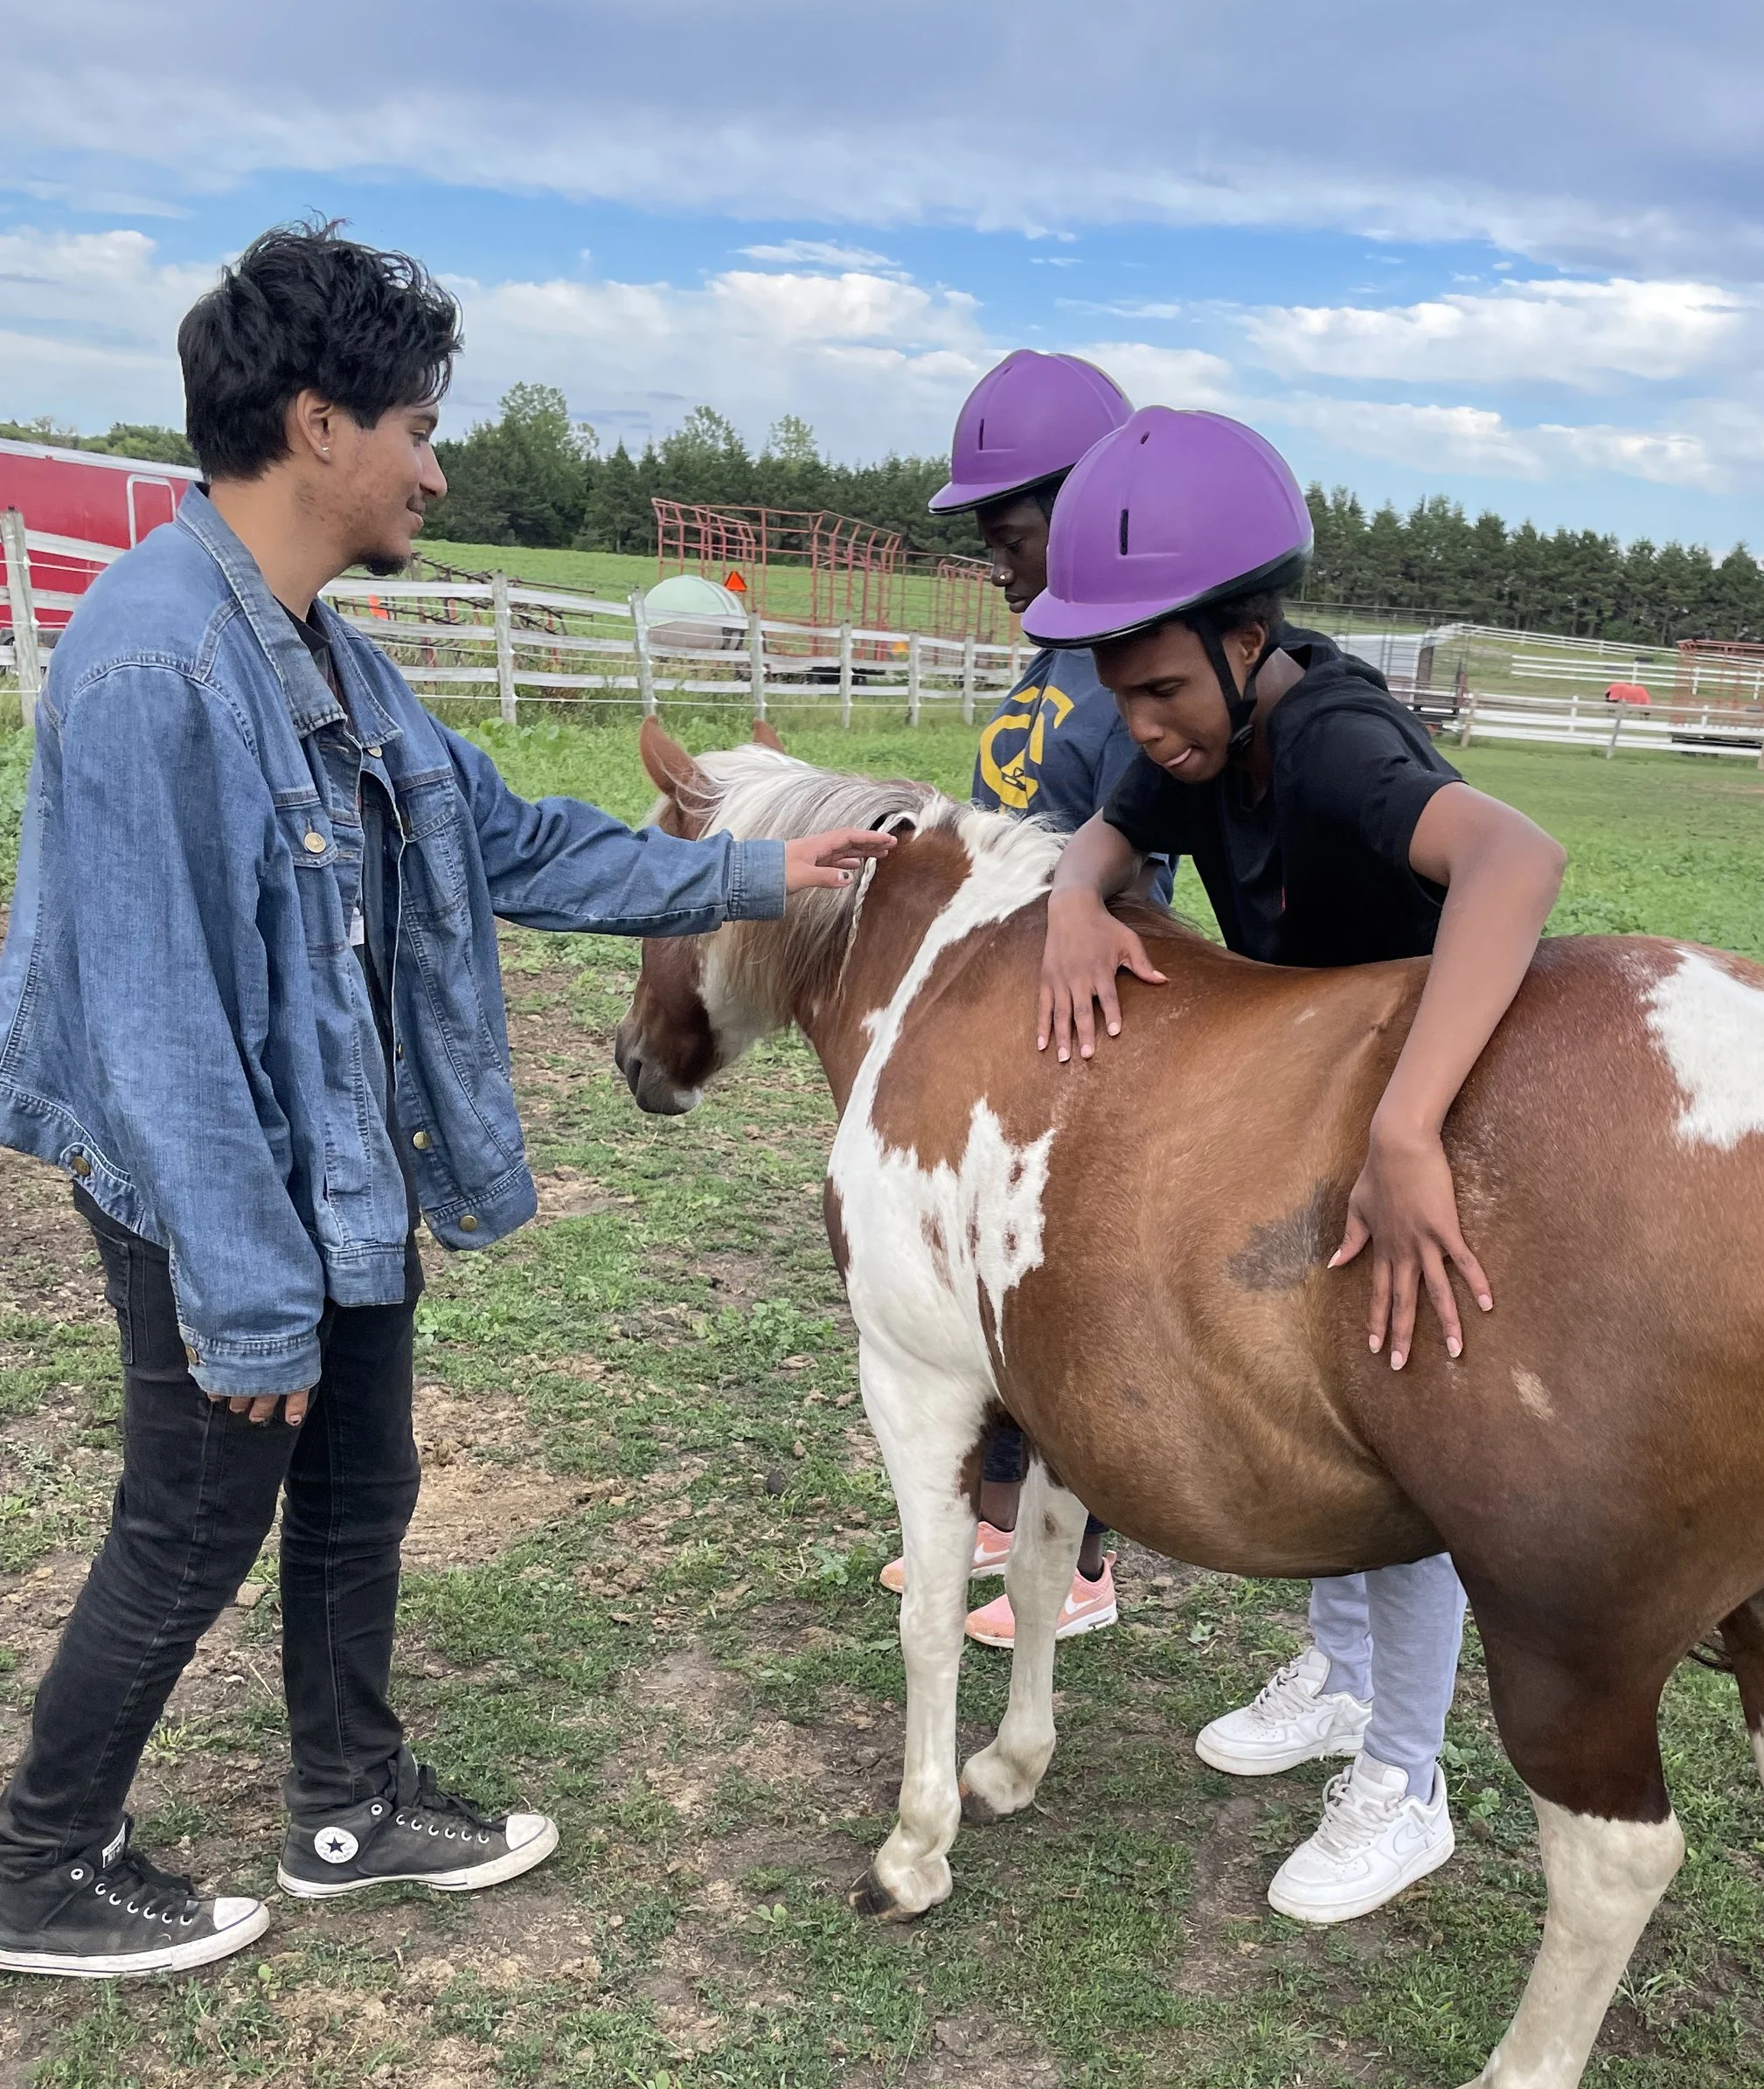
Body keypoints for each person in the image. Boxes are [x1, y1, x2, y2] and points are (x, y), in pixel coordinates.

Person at [0, 224, 892, 1981]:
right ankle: (38, 1858)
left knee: (359, 1485)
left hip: (340, 1159)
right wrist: (246, 1301)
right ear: (318, 423)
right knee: (193, 1517)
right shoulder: (149, 665)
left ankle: (349, 1801)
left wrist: (763, 866)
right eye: (415, 422)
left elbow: (506, 839)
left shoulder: (326, 651)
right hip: (222, 1194)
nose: (434, 459)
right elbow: (159, 1026)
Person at [1023, 409, 1566, 1926]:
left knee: (1406, 1438)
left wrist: (1406, 1130)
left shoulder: (1327, 739)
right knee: (1329, 1410)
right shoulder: (1205, 729)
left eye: (1162, 692)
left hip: (1428, 1093)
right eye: (1121, 698)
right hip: (1326, 1091)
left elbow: (1518, 861)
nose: (1145, 731)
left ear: (1247, 636)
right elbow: (1112, 837)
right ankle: (1338, 1680)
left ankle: (1407, 1780)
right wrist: (1077, 894)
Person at [879, 350, 1140, 1650]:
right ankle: (992, 1514)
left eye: (1013, 529)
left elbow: (1133, 840)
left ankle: (1079, 1559)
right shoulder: (1048, 654)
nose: (995, 558)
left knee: (1049, 1275)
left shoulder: (1130, 665)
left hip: (1083, 1001)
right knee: (966, 1260)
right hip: (1006, 991)